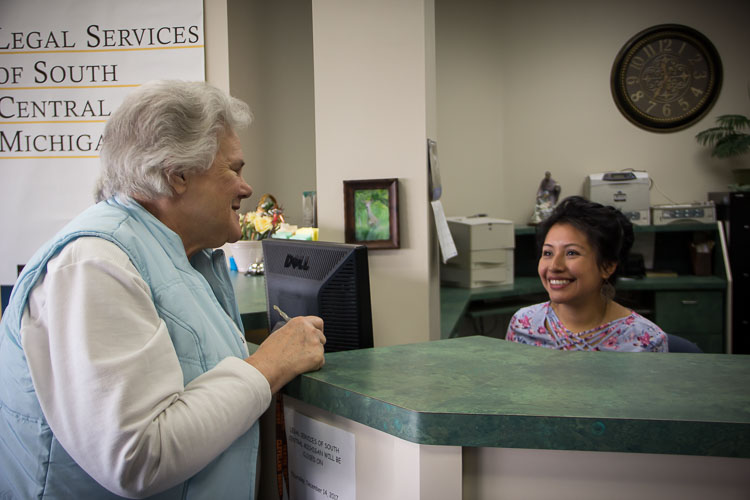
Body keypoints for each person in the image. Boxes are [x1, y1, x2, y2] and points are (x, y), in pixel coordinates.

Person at [0, 81, 326, 499]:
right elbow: (137, 457)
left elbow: (193, 367)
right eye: (234, 169)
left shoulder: (186, 255)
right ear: (177, 176)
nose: (246, 188)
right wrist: (267, 365)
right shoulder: (94, 266)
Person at [507, 196, 667, 352]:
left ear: (607, 266)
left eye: (571, 253)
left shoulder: (646, 340)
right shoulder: (523, 324)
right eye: (548, 253)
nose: (554, 266)